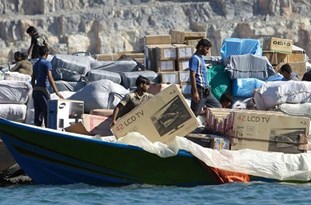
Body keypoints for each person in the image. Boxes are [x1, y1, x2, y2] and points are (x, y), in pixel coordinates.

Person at [31, 46, 63, 127]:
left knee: (38, 112)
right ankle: (47, 130)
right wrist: (57, 92)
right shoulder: (47, 63)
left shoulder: (36, 64)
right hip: (43, 90)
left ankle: (36, 130)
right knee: (47, 111)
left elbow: (32, 78)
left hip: (36, 90)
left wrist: (34, 88)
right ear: (47, 54)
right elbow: (50, 77)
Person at [189, 38, 221, 116]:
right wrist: (195, 92)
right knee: (194, 113)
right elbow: (192, 76)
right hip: (199, 90)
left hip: (206, 91)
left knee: (218, 107)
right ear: (200, 47)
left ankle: (206, 113)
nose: (208, 51)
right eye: (206, 49)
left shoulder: (201, 59)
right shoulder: (194, 59)